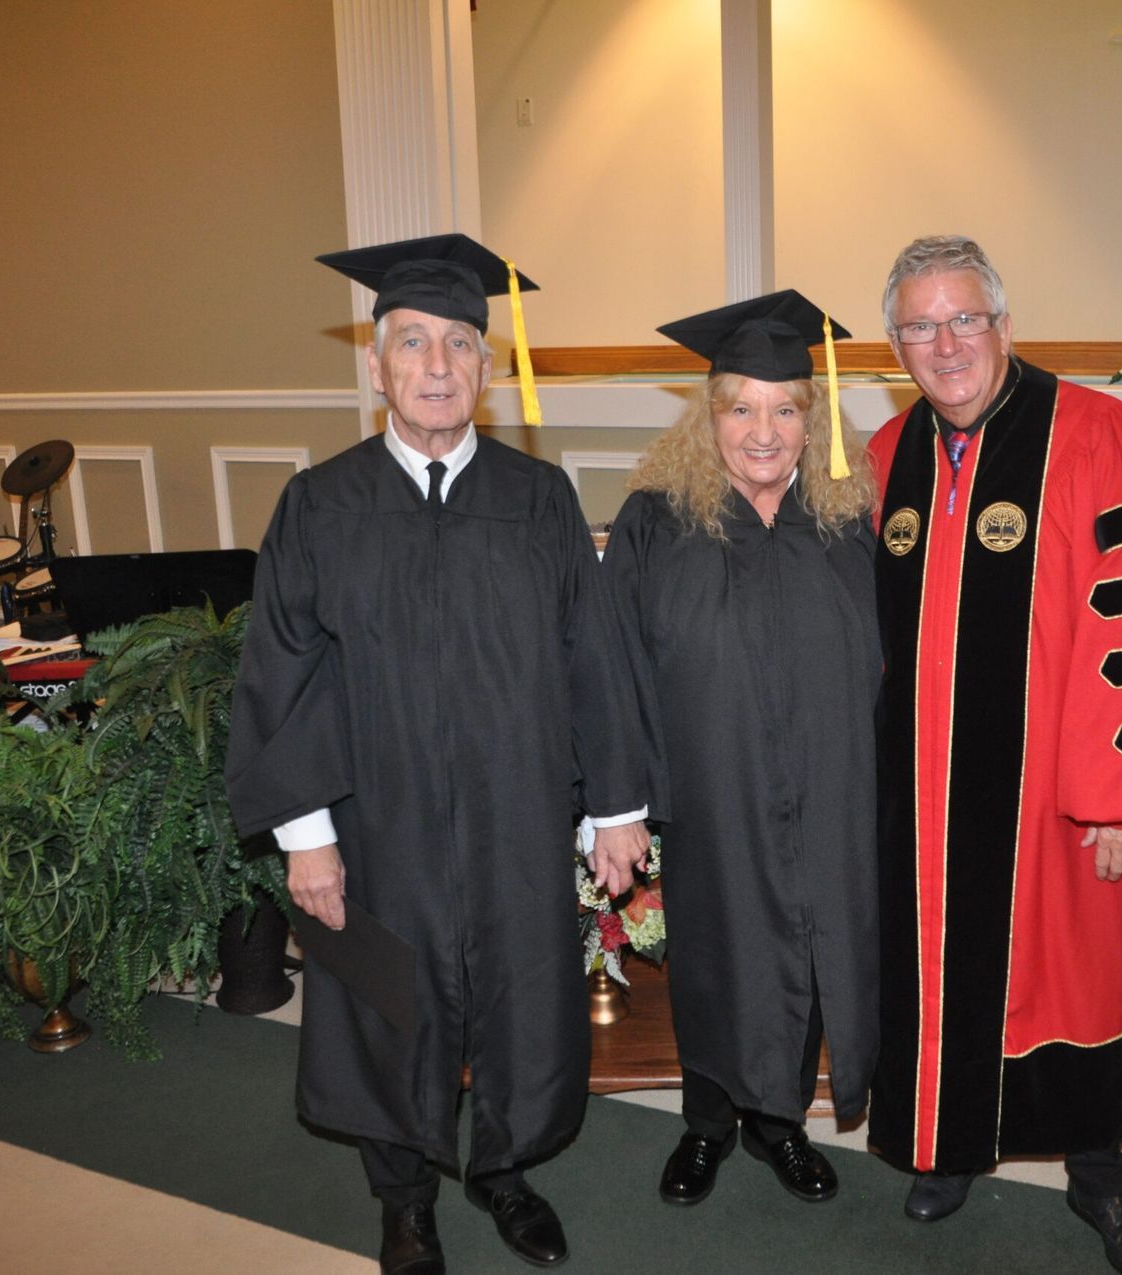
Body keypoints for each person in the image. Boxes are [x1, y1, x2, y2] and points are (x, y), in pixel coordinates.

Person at [225, 233, 651, 1275]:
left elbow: (592, 658)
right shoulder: (320, 507)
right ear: (376, 365)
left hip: (515, 814)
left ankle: (503, 1172)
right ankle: (405, 1200)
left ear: (488, 368)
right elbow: (283, 672)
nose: (436, 366)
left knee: (522, 997)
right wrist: (307, 837)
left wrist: (617, 808)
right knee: (387, 1008)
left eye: (460, 344)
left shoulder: (537, 499)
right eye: (411, 342)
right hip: (378, 824)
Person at [865, 236, 1122, 1275]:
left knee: (1066, 978)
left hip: (1054, 800)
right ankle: (946, 1148)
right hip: (921, 800)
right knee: (932, 973)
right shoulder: (887, 455)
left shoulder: (1097, 434)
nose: (946, 344)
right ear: (898, 345)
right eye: (921, 326)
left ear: (1003, 324)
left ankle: (1097, 1175)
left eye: (964, 318)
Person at [603, 290, 881, 1208]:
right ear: (709, 416)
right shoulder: (657, 522)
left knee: (806, 948)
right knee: (719, 957)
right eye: (741, 408)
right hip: (711, 790)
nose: (763, 431)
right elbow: (613, 665)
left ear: (813, 419)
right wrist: (623, 804)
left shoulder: (850, 528)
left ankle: (781, 1123)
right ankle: (708, 1121)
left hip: (830, 791)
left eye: (785, 408)